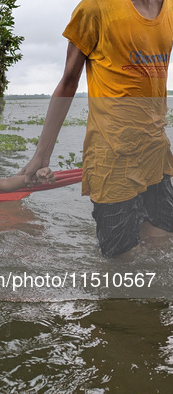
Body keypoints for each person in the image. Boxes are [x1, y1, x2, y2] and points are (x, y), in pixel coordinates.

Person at [20, 0, 173, 257]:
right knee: (124, 260)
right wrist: (42, 156)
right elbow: (69, 81)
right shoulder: (94, 8)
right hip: (111, 158)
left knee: (161, 246)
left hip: (156, 154)